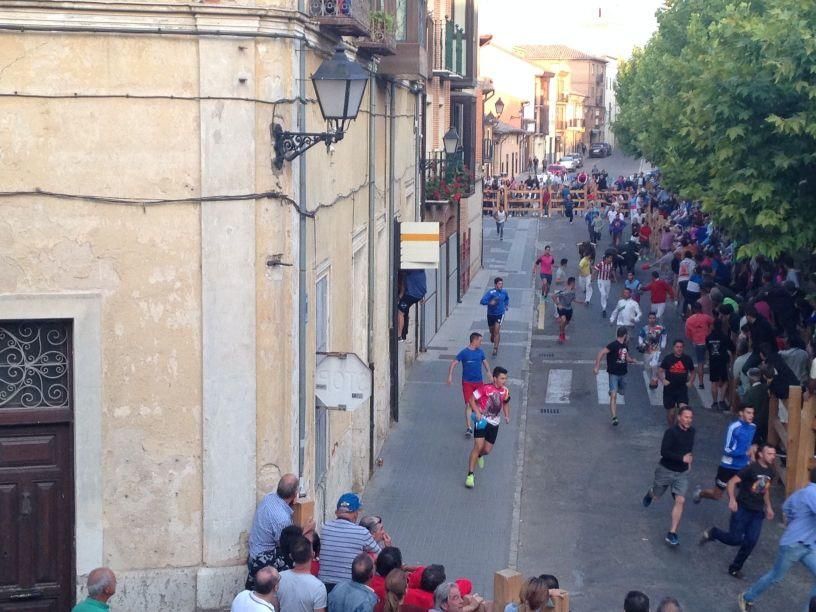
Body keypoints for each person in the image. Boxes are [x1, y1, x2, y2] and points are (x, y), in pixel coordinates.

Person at [738, 467, 816, 611]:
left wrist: (796, 524)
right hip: (793, 545)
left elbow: (786, 507)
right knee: (775, 576)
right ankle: (747, 597)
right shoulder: (813, 493)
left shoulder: (802, 492)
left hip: (807, 545)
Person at [700, 444, 777, 578]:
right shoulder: (750, 468)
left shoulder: (771, 472)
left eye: (774, 454)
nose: (772, 457)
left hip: (757, 512)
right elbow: (731, 482)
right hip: (743, 508)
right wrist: (732, 500)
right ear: (761, 454)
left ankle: (735, 568)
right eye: (769, 454)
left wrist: (769, 506)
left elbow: (765, 489)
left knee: (751, 541)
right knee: (734, 539)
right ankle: (714, 533)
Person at [642, 405, 695, 547]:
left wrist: (689, 460)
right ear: (679, 418)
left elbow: (688, 448)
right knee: (656, 496)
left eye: (690, 417)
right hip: (665, 470)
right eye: (686, 417)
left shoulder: (692, 432)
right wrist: (681, 458)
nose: (688, 420)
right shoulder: (671, 432)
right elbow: (664, 452)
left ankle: (672, 533)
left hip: (681, 473)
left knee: (681, 500)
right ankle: (650, 493)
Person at [694, 405, 756, 504]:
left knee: (748, 493)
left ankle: (738, 512)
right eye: (748, 413)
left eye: (752, 413)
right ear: (741, 413)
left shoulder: (753, 427)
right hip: (728, 466)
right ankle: (700, 493)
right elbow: (727, 449)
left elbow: (750, 444)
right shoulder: (734, 427)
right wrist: (743, 453)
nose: (751, 416)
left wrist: (752, 454)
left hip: (743, 467)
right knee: (716, 495)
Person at [319, 494, 381, 591]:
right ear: (355, 513)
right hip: (348, 587)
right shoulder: (362, 532)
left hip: (324, 586)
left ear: (337, 512)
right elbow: (380, 554)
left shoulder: (325, 527)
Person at [465, 366, 511, 489]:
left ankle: (479, 456)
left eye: (505, 378)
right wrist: (477, 412)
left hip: (495, 423)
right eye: (502, 378)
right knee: (478, 446)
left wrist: (507, 416)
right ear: (495, 378)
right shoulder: (485, 388)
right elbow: (471, 399)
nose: (504, 381)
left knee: (486, 450)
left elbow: (506, 403)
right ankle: (470, 475)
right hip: (482, 421)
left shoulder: (505, 391)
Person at [249, 475, 308, 566]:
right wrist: (306, 531)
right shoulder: (282, 520)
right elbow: (286, 546)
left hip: (254, 552)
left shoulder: (268, 497)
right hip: (263, 561)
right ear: (295, 493)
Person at [447, 332, 490, 438]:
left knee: (480, 404)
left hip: (479, 382)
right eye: (480, 341)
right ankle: (469, 428)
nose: (481, 343)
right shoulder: (464, 353)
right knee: (469, 405)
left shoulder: (480, 352)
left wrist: (489, 372)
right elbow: (454, 363)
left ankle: (480, 423)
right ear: (474, 340)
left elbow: (485, 362)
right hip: (467, 383)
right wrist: (450, 375)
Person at [594, 327, 639, 427]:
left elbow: (626, 358)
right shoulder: (613, 345)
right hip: (613, 374)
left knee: (622, 392)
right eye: (627, 335)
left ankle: (613, 390)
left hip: (623, 374)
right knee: (614, 395)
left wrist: (632, 360)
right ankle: (614, 417)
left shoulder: (625, 346)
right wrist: (597, 367)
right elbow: (601, 353)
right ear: (625, 335)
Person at [278, 536, 328, 612]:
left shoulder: (278, 578)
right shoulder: (318, 587)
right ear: (313, 554)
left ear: (291, 556)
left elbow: (274, 607)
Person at [659, 340, 696, 426]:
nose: (679, 349)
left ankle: (681, 429)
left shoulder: (687, 359)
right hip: (670, 389)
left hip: (682, 388)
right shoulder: (668, 358)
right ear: (674, 348)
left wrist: (690, 381)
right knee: (671, 413)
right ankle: (671, 429)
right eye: (677, 347)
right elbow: (660, 371)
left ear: (683, 348)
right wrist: (663, 380)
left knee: (683, 410)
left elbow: (693, 372)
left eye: (681, 347)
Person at [706, 321, 736, 411]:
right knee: (725, 381)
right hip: (723, 361)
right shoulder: (725, 337)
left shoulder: (708, 337)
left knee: (714, 382)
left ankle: (714, 402)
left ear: (713, 327)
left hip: (713, 361)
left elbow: (708, 348)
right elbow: (733, 348)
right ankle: (722, 401)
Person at [684, 302, 714, 389]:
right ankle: (714, 381)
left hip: (697, 343)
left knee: (700, 362)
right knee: (711, 360)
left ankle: (701, 383)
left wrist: (693, 339)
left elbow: (688, 334)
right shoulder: (706, 317)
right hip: (708, 341)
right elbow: (713, 323)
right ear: (701, 309)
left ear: (693, 309)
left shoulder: (689, 320)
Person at [480, 278, 510, 356]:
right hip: (490, 314)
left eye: (502, 284)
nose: (501, 285)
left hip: (500, 314)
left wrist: (506, 305)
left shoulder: (504, 292)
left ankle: (495, 349)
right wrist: (490, 303)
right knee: (492, 331)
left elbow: (507, 298)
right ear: (495, 284)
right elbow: (482, 301)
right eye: (499, 284)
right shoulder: (491, 293)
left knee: (497, 331)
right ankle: (492, 335)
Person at [741, 368, 770, 444]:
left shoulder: (750, 392)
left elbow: (744, 406)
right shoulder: (766, 388)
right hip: (765, 421)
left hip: (753, 422)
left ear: (751, 379)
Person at [639, 312, 667, 389]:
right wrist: (641, 344)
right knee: (647, 367)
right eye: (650, 318)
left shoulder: (660, 328)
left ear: (655, 319)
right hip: (647, 351)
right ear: (648, 319)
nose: (652, 320)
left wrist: (663, 344)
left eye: (653, 318)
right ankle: (651, 380)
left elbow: (664, 335)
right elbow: (640, 337)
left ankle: (655, 378)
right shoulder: (644, 328)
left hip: (656, 350)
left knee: (654, 364)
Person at [397, 270, 427, 342]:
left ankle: (399, 336)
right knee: (404, 311)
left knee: (400, 312)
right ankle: (403, 333)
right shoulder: (421, 269)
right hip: (419, 295)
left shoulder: (409, 269)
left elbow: (404, 283)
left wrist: (401, 295)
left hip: (411, 295)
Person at [553, 277, 584, 344]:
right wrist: (558, 304)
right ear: (572, 283)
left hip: (569, 309)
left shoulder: (573, 291)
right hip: (562, 308)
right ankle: (561, 335)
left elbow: (573, 299)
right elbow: (553, 296)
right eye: (574, 283)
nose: (575, 284)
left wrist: (580, 302)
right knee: (563, 320)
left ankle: (561, 328)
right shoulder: (564, 291)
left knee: (566, 323)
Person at [594, 254, 617, 318]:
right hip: (601, 281)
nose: (610, 259)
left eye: (611, 258)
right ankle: (604, 309)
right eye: (609, 258)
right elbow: (596, 270)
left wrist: (615, 278)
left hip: (607, 281)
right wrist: (592, 278)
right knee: (603, 294)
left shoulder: (611, 264)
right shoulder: (601, 264)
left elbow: (612, 271)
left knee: (607, 294)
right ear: (606, 258)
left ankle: (605, 300)